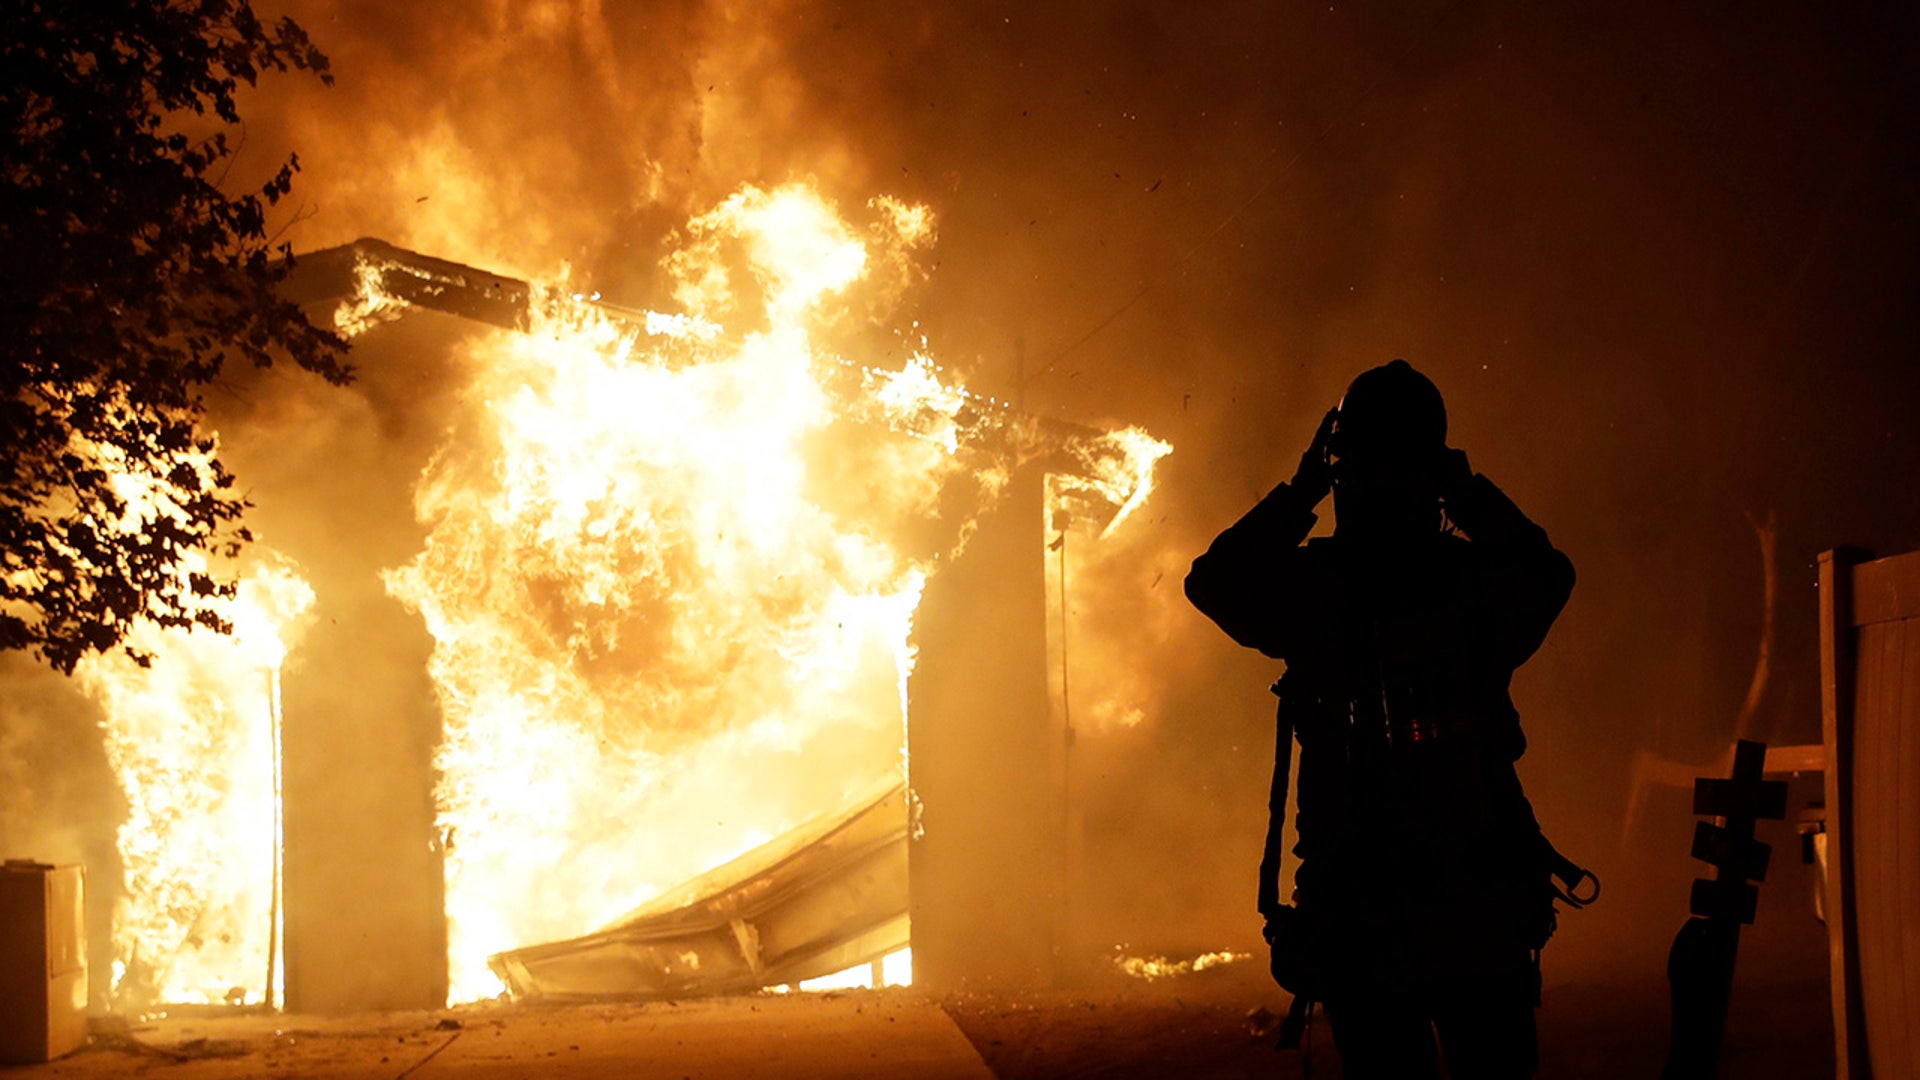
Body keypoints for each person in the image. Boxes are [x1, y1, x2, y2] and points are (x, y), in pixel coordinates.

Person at [1185, 359, 1577, 1079]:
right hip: (1476, 912)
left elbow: (1213, 581)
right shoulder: (1473, 587)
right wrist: (1465, 491)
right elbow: (1550, 572)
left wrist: (1301, 489)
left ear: (1342, 468)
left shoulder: (1317, 591)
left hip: (1363, 917)